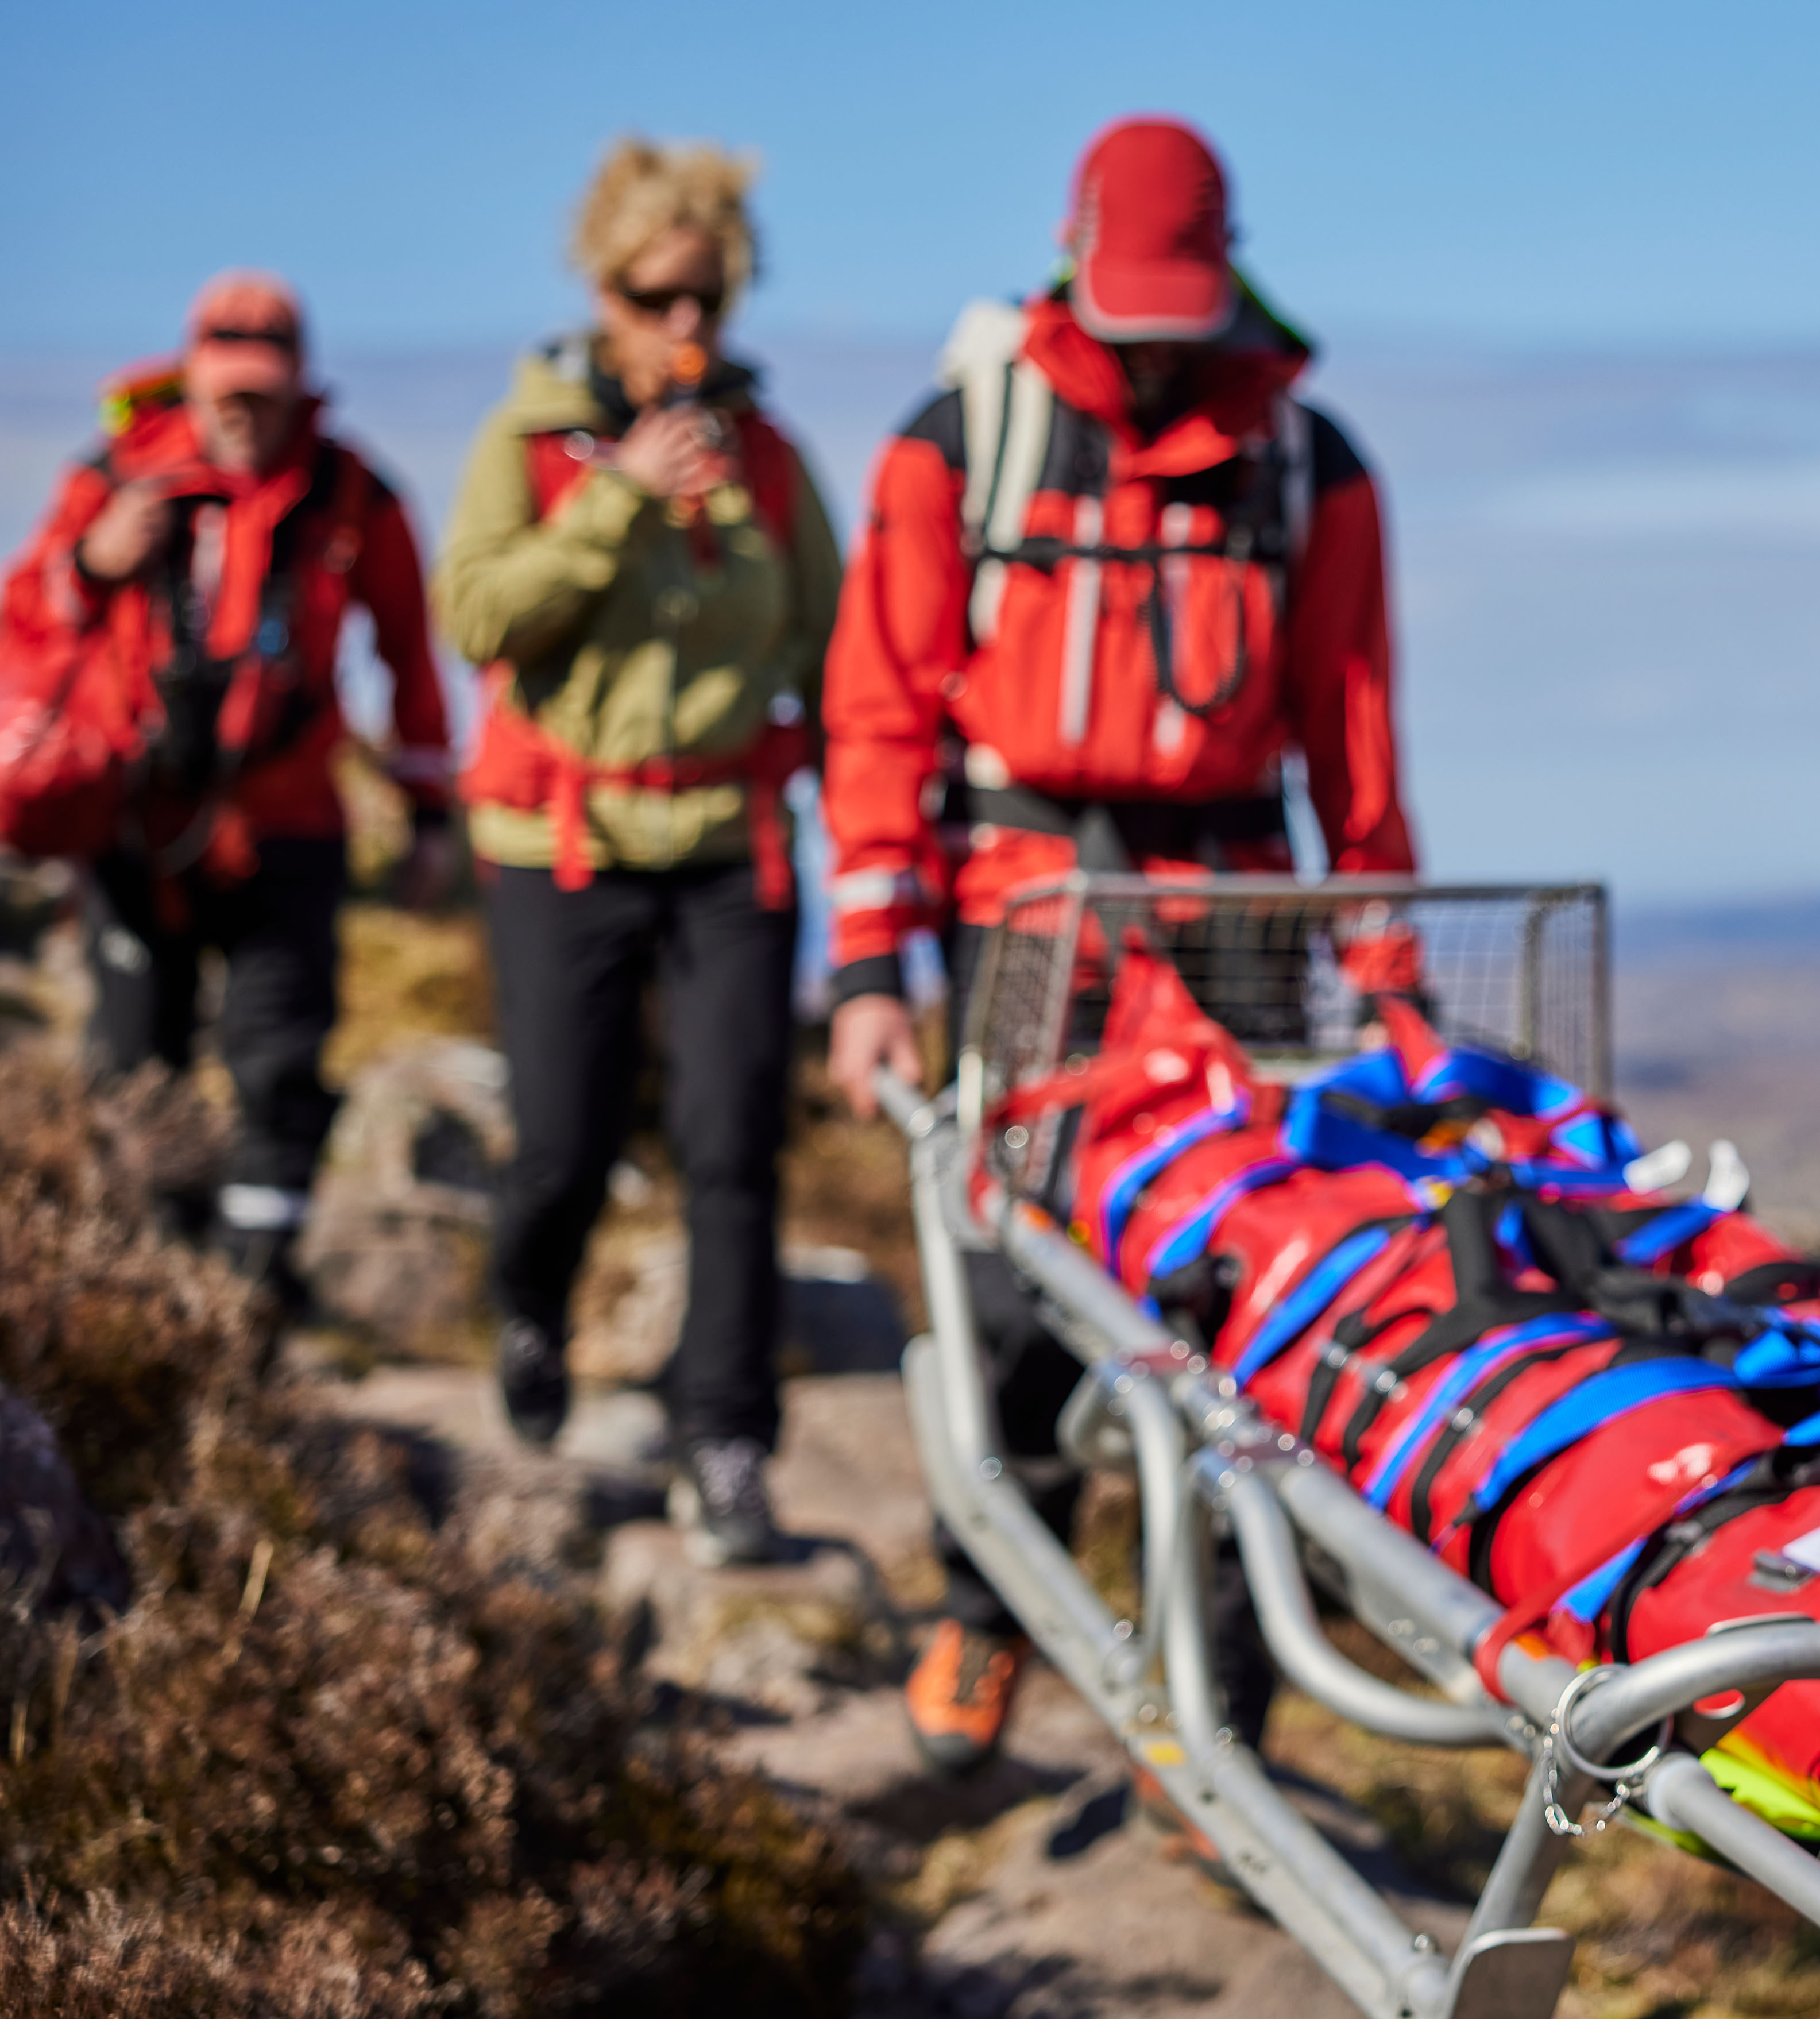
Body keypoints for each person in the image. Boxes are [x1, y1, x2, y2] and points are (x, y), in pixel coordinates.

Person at [820, 115, 1416, 1774]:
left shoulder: (1310, 464)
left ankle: (1222, 1713)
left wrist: (1384, 973)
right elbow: (877, 715)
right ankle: (985, 1612)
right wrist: (870, 965)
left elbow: (1353, 740)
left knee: (1258, 1299)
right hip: (1024, 910)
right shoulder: (964, 442)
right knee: (1013, 1282)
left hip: (1232, 914)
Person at [435, 138, 841, 1566]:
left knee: (735, 1148)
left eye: (707, 300)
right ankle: (532, 1309)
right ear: (602, 291)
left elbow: (832, 654)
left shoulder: (774, 461)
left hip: (733, 844)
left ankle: (725, 1440)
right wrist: (617, 499)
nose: (683, 327)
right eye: (654, 295)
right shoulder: (529, 443)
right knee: (567, 1141)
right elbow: (480, 616)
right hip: (561, 841)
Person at [0, 271, 455, 1299]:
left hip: (288, 821)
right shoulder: (115, 478)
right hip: (135, 823)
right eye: (229, 393)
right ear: (194, 381)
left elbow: (413, 656)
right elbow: (26, 613)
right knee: (131, 1057)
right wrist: (94, 558)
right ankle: (151, 1278)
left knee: (278, 1060)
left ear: (300, 381)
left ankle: (256, 1287)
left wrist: (430, 812)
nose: (247, 414)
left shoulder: (353, 492)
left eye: (266, 391)